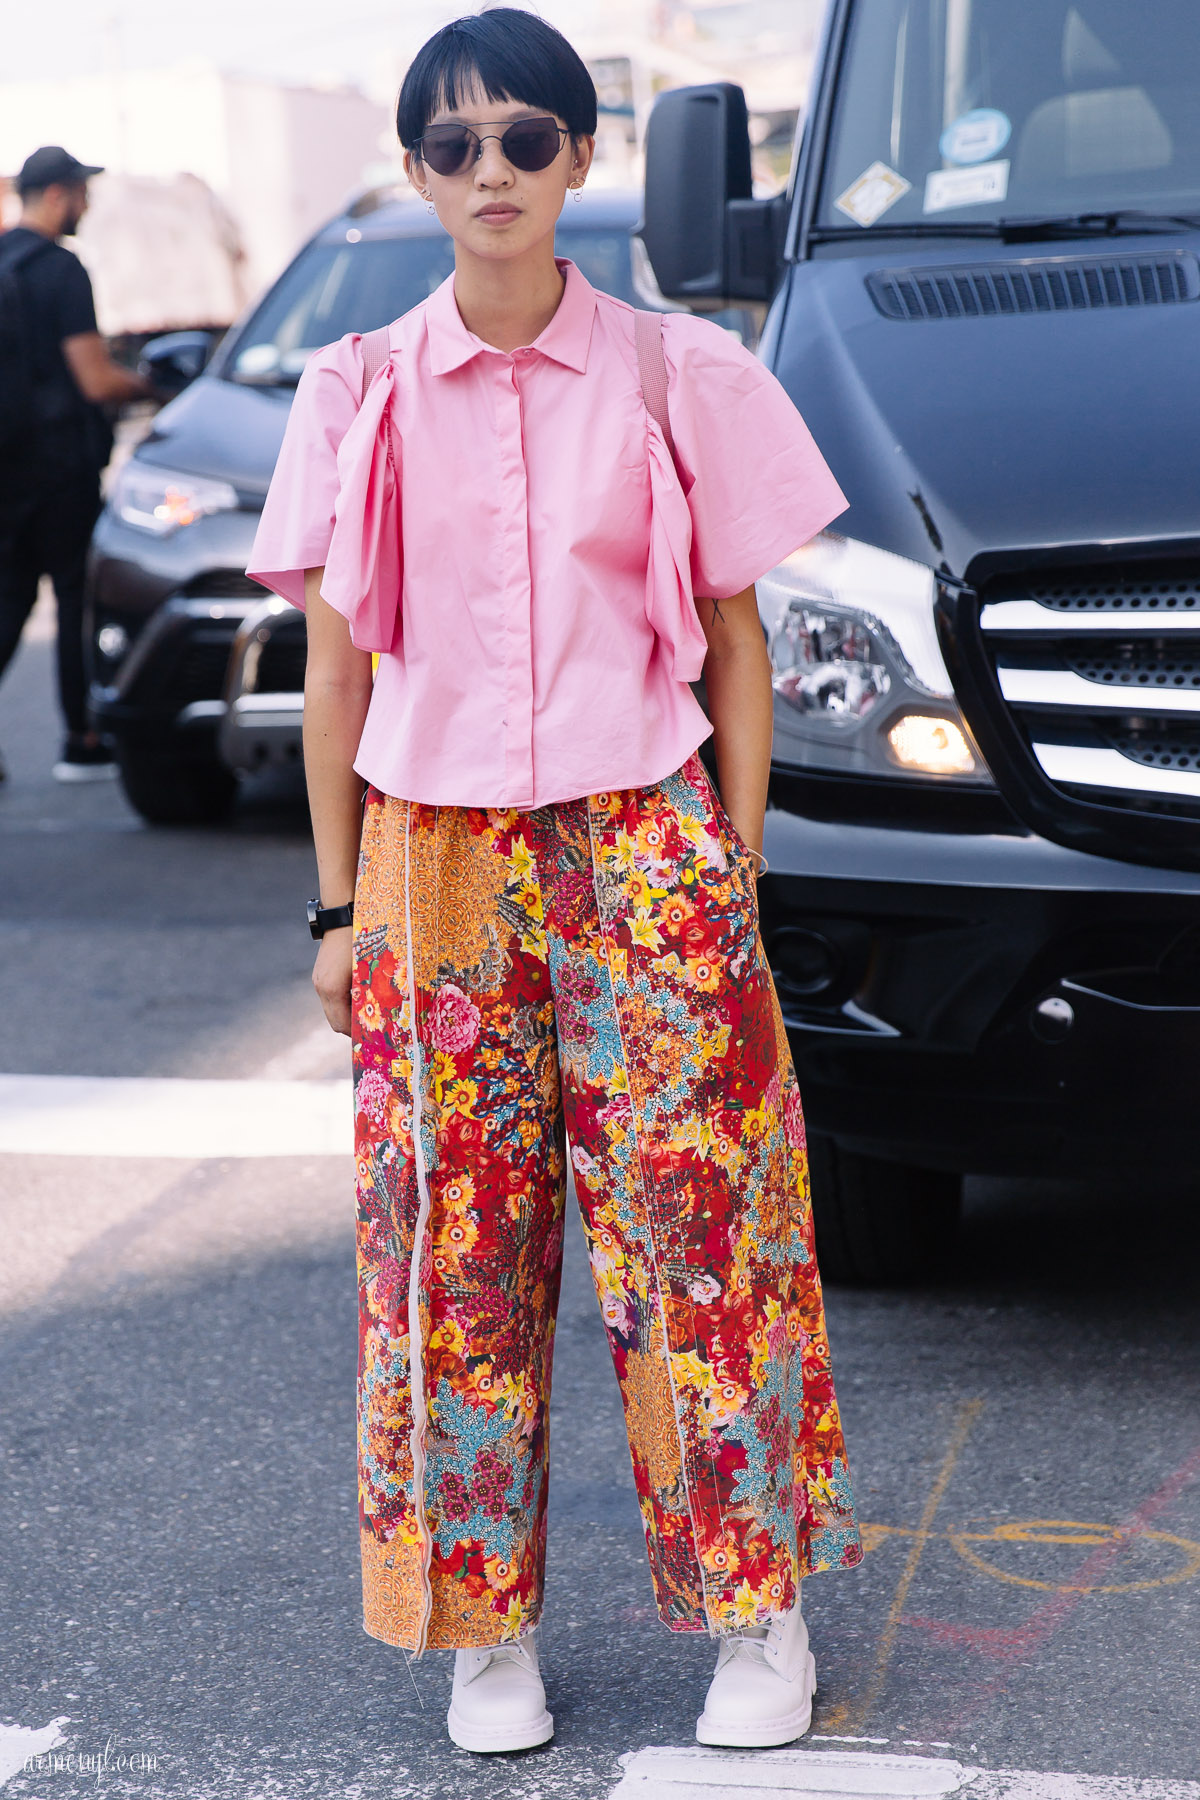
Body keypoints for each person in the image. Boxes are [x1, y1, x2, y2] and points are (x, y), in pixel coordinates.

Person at [247, 9, 863, 1758]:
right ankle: (480, 1630)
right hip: (430, 856)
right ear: (417, 171)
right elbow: (337, 675)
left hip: (644, 837)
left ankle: (761, 1612)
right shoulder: (357, 389)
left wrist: (727, 863)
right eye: (455, 147)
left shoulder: (678, 372)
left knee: (703, 1230)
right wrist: (333, 909)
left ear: (583, 158)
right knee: (456, 1247)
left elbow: (739, 639)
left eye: (527, 139)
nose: (493, 173)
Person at [0, 145, 152, 784]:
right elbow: (94, 379)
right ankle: (81, 740)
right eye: (82, 192)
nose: (86, 204)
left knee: (6, 606)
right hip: (60, 469)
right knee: (74, 600)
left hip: (5, 468)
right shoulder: (62, 269)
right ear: (59, 194)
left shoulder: (3, 258)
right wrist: (148, 386)